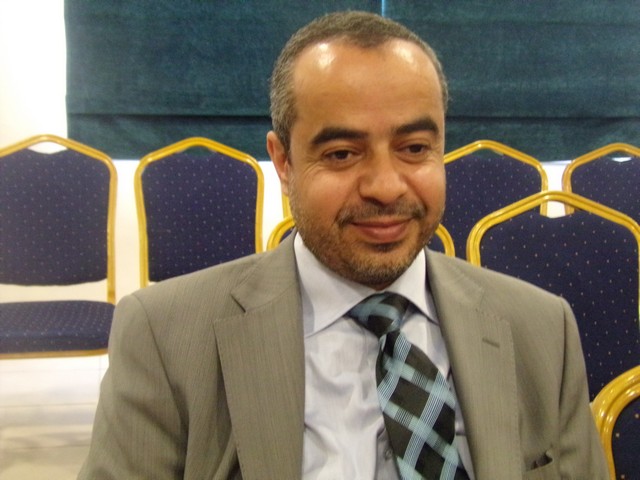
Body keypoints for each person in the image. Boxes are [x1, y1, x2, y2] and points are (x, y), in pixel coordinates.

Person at [78, 11, 608, 480]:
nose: (386, 187)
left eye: (414, 148)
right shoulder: (165, 338)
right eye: (341, 154)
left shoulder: (542, 329)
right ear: (284, 162)